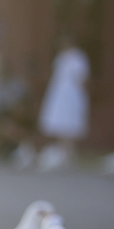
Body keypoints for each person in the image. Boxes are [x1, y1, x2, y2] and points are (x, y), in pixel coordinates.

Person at [37, 38, 89, 167]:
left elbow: (82, 78)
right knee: (60, 123)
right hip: (59, 93)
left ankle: (69, 155)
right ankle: (62, 154)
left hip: (71, 95)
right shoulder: (61, 57)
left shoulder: (79, 58)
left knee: (69, 124)